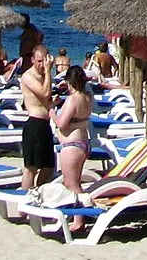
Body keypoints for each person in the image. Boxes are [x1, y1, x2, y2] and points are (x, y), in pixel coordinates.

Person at [18, 43, 55, 192]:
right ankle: (24, 201)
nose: (42, 64)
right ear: (33, 59)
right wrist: (48, 71)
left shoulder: (44, 76)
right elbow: (44, 93)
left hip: (45, 124)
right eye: (39, 61)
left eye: (44, 61)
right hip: (34, 124)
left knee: (48, 168)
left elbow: (46, 98)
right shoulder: (28, 76)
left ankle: (36, 192)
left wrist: (53, 102)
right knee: (30, 168)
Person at [53, 64, 95, 196]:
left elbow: (61, 124)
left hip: (72, 145)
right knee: (75, 182)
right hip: (83, 142)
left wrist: (51, 112)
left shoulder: (73, 99)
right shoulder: (88, 96)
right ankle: (78, 216)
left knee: (71, 184)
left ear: (69, 82)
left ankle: (81, 213)